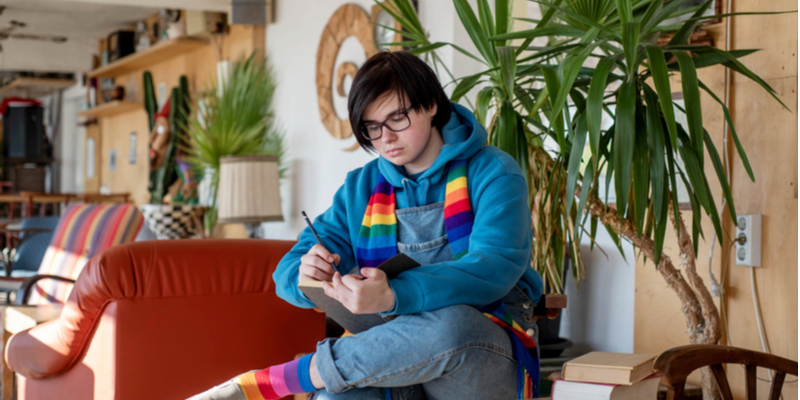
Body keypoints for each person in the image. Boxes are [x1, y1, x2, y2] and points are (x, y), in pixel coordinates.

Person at [189, 51, 543, 400]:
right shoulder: (360, 187)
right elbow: (287, 273)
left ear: (433, 104)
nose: (385, 137)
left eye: (398, 118)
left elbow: (494, 267)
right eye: (372, 127)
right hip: (393, 364)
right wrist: (308, 270)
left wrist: (394, 294)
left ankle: (276, 381)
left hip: (481, 355)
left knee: (451, 324)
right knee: (334, 399)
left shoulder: (494, 171)